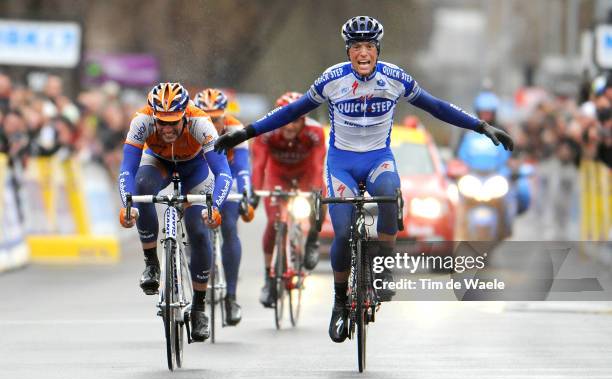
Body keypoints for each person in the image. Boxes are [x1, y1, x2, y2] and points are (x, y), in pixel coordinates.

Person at [214, 16, 513, 343]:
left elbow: (437, 107)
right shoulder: (332, 79)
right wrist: (245, 132)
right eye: (356, 47)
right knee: (342, 232)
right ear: (348, 51)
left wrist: (481, 127)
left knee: (388, 191)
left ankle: (383, 265)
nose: (363, 53)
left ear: (377, 49)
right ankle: (340, 300)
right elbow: (290, 112)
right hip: (341, 163)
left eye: (369, 46)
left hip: (376, 159)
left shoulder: (394, 78)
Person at [118, 82, 232, 342]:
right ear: (153, 115)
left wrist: (214, 206)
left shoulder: (200, 122)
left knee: (199, 230)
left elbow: (223, 172)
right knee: (142, 187)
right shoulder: (141, 120)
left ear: (185, 115)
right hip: (157, 162)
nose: (167, 129)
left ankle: (200, 307)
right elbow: (127, 168)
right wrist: (128, 205)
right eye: (162, 123)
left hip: (195, 167)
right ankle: (151, 265)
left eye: (174, 122)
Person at [250, 91, 326, 308]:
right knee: (275, 222)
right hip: (278, 176)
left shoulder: (315, 132)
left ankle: (312, 239)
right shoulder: (267, 132)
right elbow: (259, 165)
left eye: (296, 121)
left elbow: (318, 165)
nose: (290, 126)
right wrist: (255, 191)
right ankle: (268, 279)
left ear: (304, 119)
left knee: (321, 197)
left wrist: (314, 192)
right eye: (286, 120)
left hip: (306, 175)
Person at [193, 88, 254, 326]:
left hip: (227, 182)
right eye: (206, 118)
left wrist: (247, 192)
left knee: (229, 226)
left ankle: (231, 297)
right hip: (201, 180)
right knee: (197, 233)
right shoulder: (192, 128)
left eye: (216, 118)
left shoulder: (235, 129)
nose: (211, 123)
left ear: (225, 117)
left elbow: (242, 168)